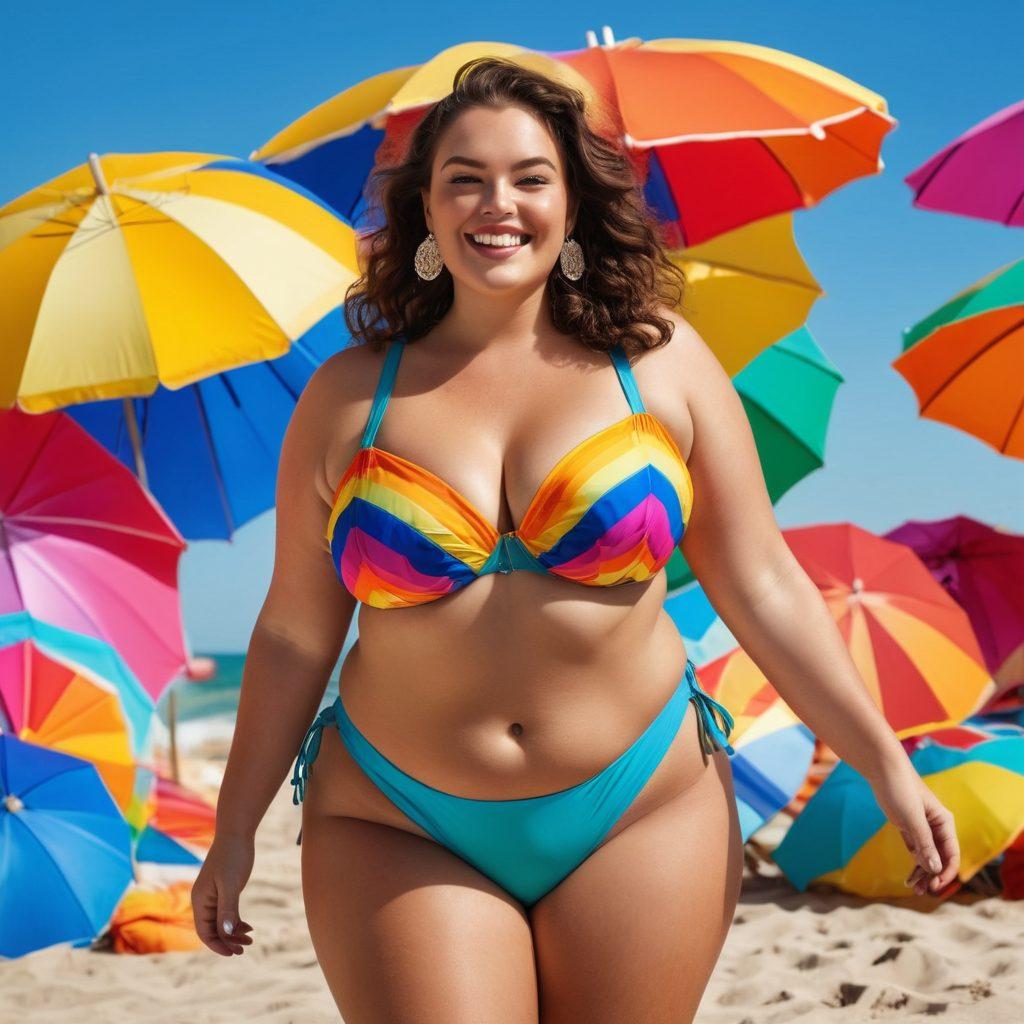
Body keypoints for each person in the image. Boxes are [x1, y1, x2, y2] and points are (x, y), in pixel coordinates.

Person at [191, 56, 960, 1022]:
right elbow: (295, 633)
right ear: (424, 210)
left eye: (528, 177)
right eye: (463, 178)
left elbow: (761, 583)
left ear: (572, 203)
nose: (495, 203)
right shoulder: (350, 394)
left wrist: (886, 765)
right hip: (398, 817)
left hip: (642, 802)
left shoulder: (663, 363)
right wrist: (234, 829)